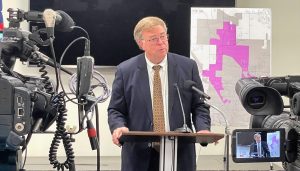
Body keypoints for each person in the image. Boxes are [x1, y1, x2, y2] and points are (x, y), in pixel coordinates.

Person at [107, 16, 211, 171]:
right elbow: (116, 109)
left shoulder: (187, 66)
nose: (161, 42)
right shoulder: (125, 70)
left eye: (163, 36)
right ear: (141, 44)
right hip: (139, 155)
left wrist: (203, 128)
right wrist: (119, 126)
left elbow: (199, 105)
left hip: (179, 152)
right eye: (154, 39)